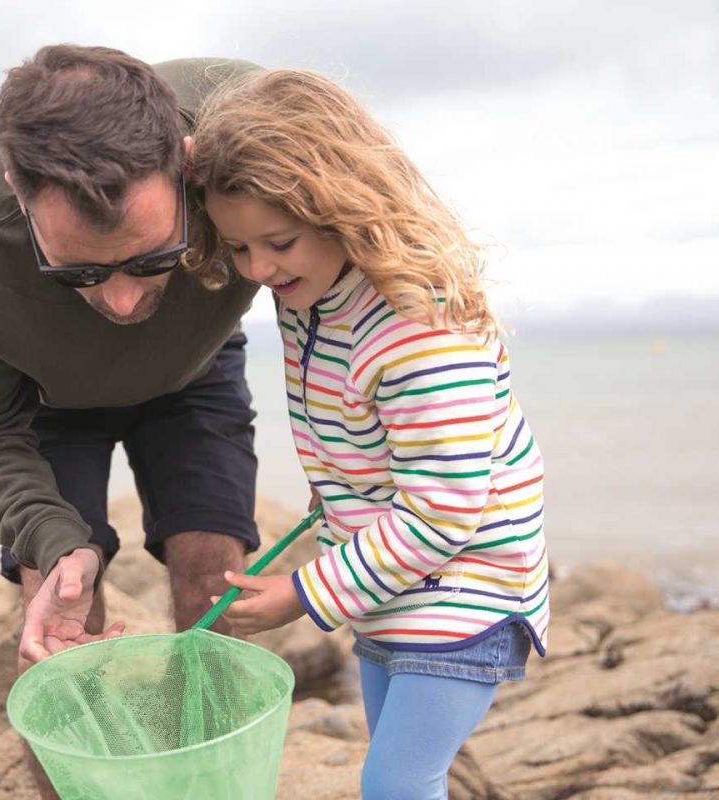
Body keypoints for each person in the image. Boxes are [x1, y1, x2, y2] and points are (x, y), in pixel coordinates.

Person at [185, 70, 549, 799]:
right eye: (238, 247)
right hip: (389, 584)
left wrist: (305, 592)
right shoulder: (313, 289)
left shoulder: (416, 330)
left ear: (339, 205)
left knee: (395, 783)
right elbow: (366, 450)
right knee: (400, 772)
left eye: (278, 242)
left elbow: (443, 509)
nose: (258, 269)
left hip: (466, 587)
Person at [0, 45, 260, 796]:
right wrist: (53, 540)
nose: (125, 303)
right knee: (61, 606)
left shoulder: (254, 121)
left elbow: (368, 237)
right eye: (81, 274)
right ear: (17, 189)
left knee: (215, 579)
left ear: (188, 163)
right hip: (41, 403)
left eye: (152, 259)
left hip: (195, 373)